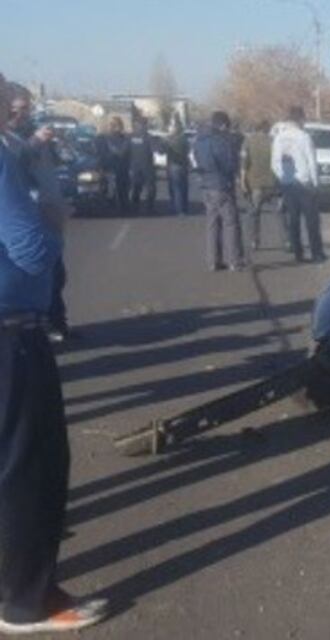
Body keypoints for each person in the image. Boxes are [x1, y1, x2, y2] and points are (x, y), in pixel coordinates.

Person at [0, 72, 108, 635]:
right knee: (31, 469)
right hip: (12, 334)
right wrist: (55, 218)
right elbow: (33, 250)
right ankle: (24, 602)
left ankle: (24, 583)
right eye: (9, 100)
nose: (20, 108)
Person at [7, 87, 75, 343]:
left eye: (27, 109)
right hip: (33, 216)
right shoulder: (12, 141)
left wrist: (56, 144)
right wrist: (35, 142)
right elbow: (17, 167)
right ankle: (45, 325)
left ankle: (58, 321)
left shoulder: (32, 135)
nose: (23, 114)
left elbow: (55, 167)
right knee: (43, 274)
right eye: (18, 109)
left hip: (52, 211)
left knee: (58, 275)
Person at [272, 106, 324, 264]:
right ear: (300, 119)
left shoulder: (279, 138)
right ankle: (317, 254)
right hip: (305, 183)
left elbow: (275, 163)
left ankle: (298, 254)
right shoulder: (304, 137)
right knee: (312, 221)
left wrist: (284, 178)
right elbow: (311, 162)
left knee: (293, 220)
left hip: (289, 184)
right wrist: (315, 184)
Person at [194, 110, 246, 271]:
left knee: (212, 223)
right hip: (222, 185)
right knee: (230, 223)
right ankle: (234, 260)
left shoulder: (199, 140)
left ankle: (213, 261)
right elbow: (229, 164)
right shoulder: (222, 142)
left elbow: (195, 159)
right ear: (223, 125)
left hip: (206, 185)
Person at [241, 120, 286, 251]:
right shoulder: (274, 141)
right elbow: (280, 163)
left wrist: (243, 182)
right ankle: (286, 240)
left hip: (255, 184)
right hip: (273, 184)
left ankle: (255, 241)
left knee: (254, 214)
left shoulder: (248, 141)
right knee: (280, 213)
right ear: (267, 129)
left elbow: (244, 164)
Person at [98, 117, 130, 213]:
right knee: (109, 189)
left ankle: (124, 208)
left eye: (116, 125)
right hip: (109, 168)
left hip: (122, 168)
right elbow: (100, 154)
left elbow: (124, 152)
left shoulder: (125, 138)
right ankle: (110, 207)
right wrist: (101, 167)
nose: (114, 127)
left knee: (123, 189)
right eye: (112, 125)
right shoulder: (102, 138)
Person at [128, 117, 157, 214]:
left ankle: (136, 207)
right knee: (146, 187)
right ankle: (148, 207)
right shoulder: (148, 137)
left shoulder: (131, 137)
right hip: (145, 166)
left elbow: (125, 151)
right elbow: (155, 149)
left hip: (137, 166)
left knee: (138, 187)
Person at [165, 116, 190, 215]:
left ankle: (178, 209)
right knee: (183, 188)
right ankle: (183, 207)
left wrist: (166, 140)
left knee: (175, 188)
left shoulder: (172, 139)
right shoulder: (184, 138)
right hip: (183, 165)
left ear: (176, 127)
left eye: (171, 126)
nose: (169, 128)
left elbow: (162, 150)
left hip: (174, 166)